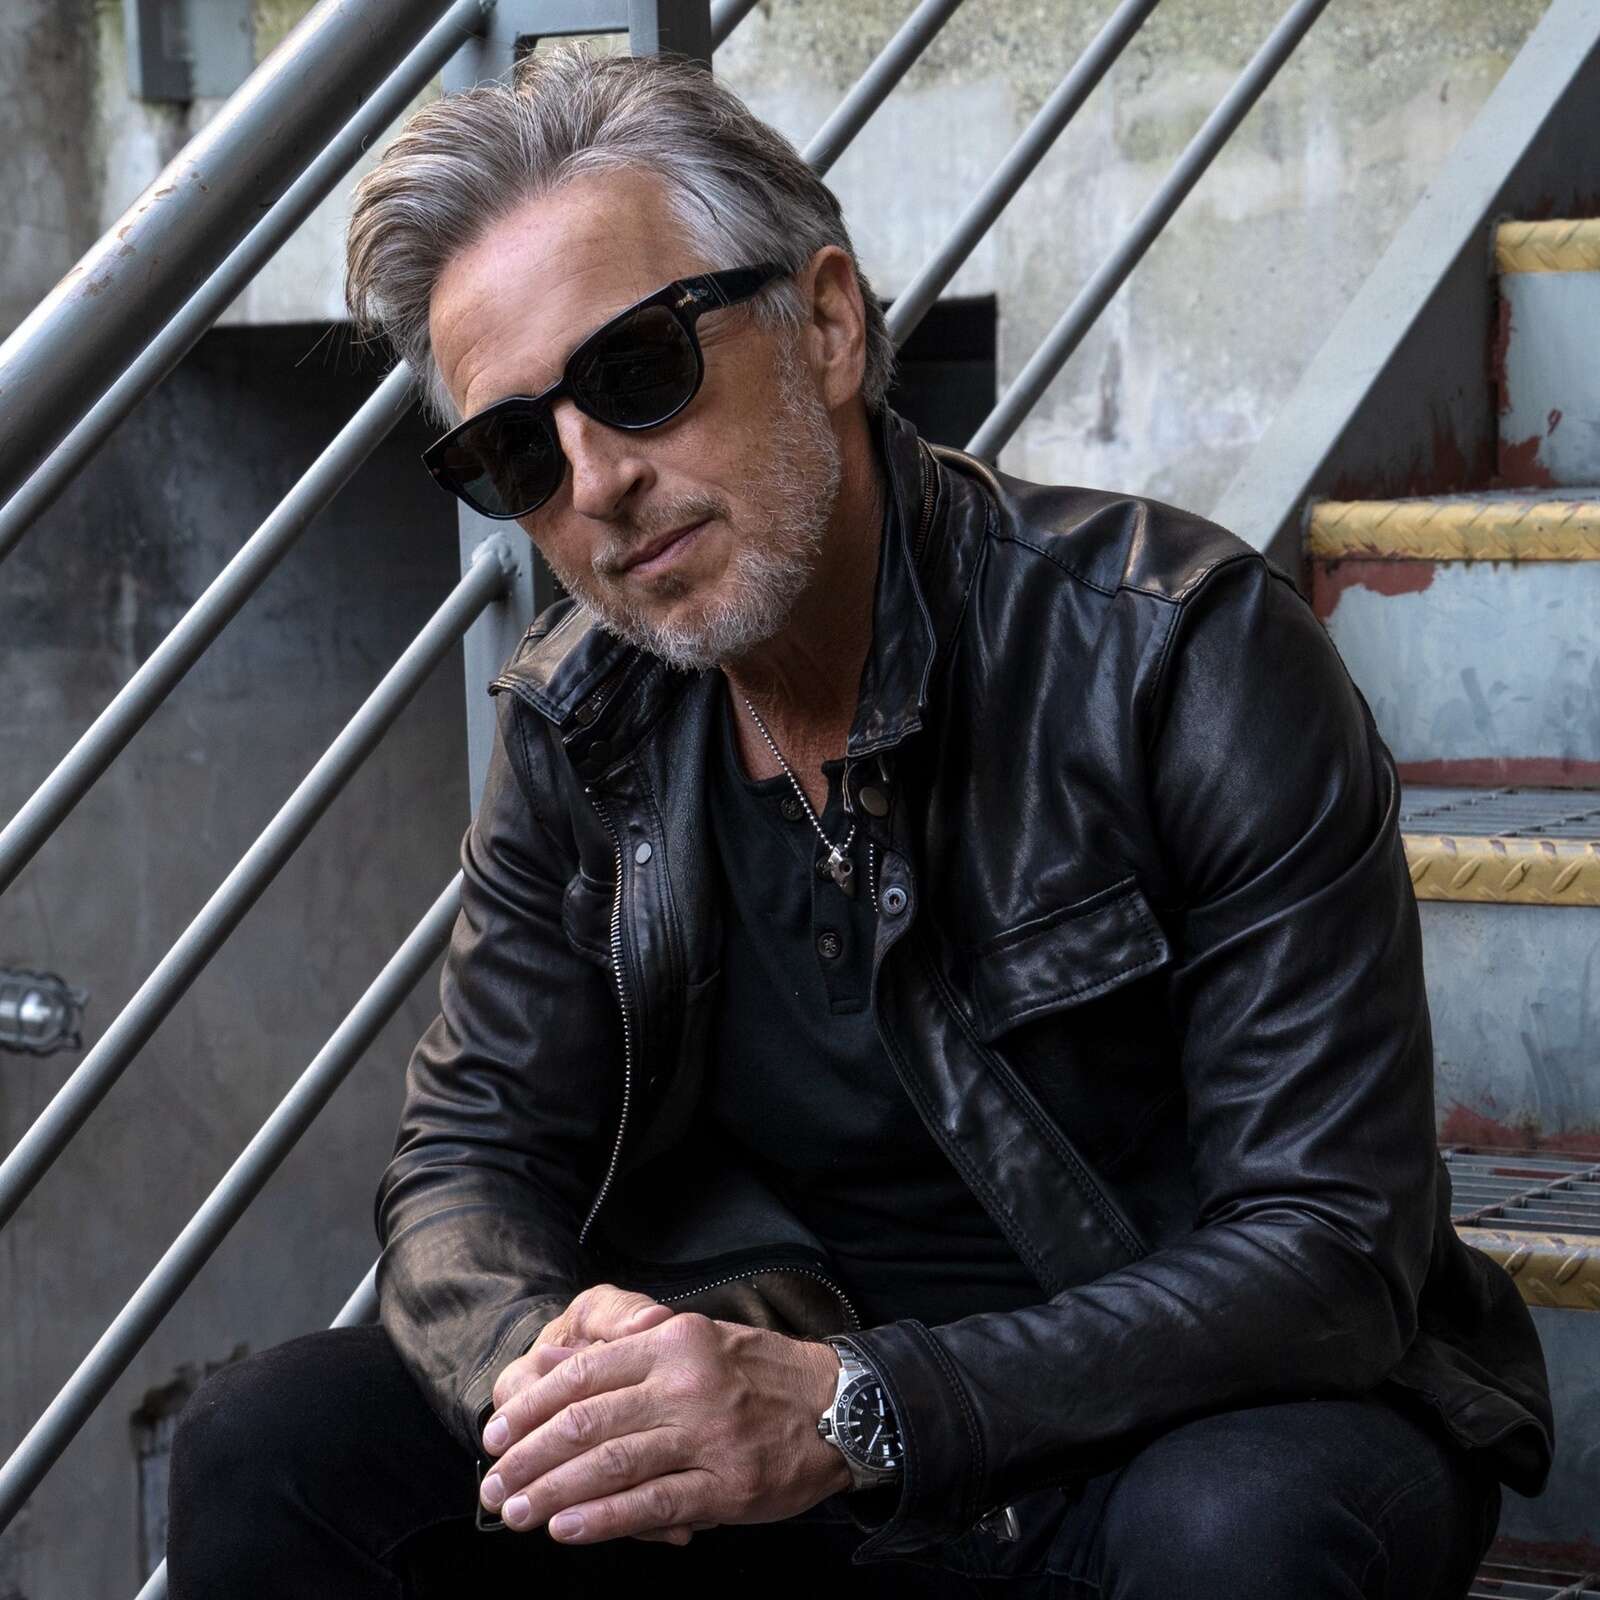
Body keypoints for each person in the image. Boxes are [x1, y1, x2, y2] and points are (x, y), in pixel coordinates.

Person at [166, 45, 1553, 1599]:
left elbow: (1329, 1247)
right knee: (271, 1447)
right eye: (516, 452)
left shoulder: (1177, 653)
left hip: (1165, 1421)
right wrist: (543, 1364)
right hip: (790, 1459)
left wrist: (862, 1409)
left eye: (639, 371)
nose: (596, 481)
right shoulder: (581, 725)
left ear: (825, 324)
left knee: (1246, 1535)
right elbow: (467, 1159)